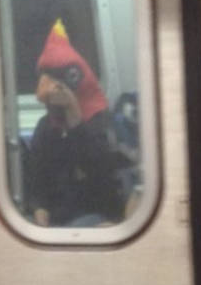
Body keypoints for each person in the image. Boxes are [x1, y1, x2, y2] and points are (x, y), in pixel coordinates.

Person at [28, 19, 127, 227]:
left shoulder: (102, 123)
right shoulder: (45, 127)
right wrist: (39, 207)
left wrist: (74, 116)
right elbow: (37, 179)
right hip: (58, 217)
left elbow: (105, 179)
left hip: (97, 213)